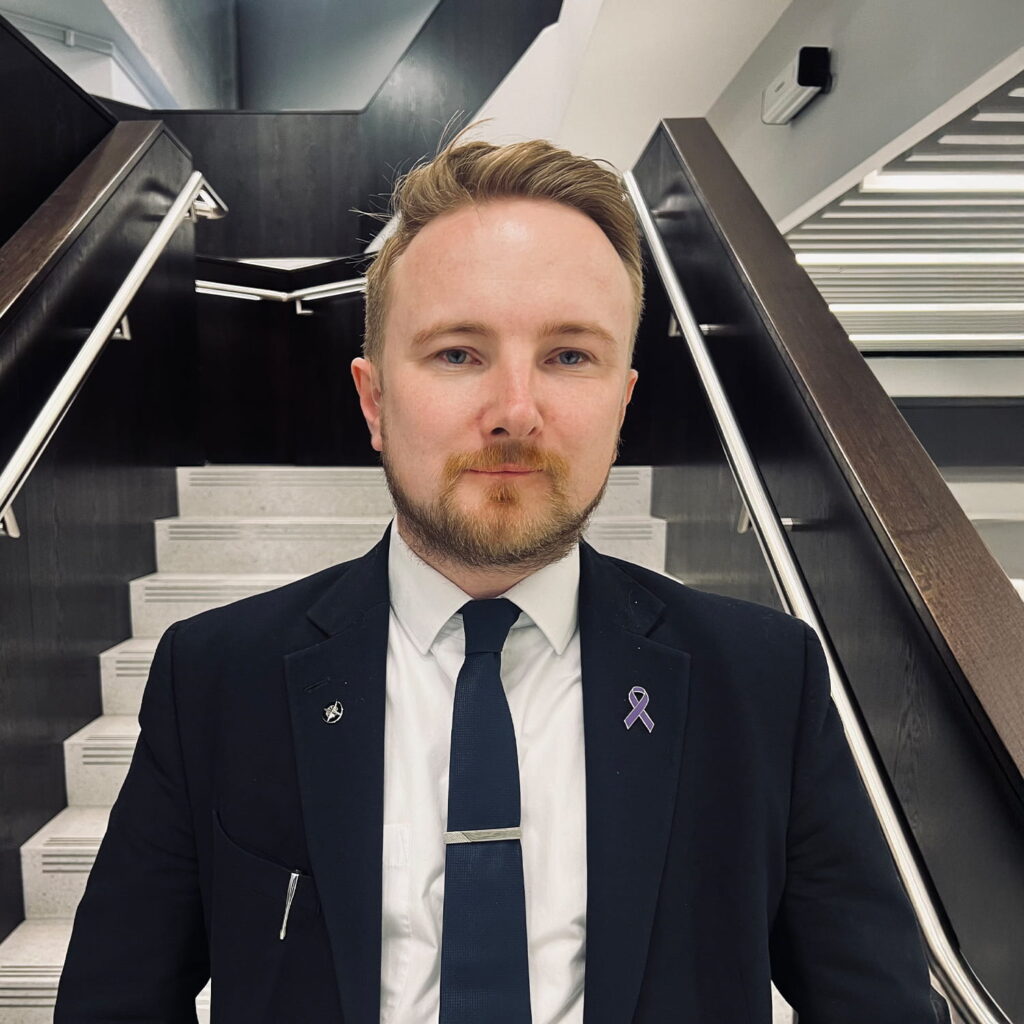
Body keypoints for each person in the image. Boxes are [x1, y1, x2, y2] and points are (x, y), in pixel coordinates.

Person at [54, 133, 947, 1024]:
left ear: (622, 404)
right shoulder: (218, 677)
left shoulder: (763, 680)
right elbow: (113, 1004)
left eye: (569, 356)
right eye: (458, 353)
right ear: (373, 400)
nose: (516, 412)